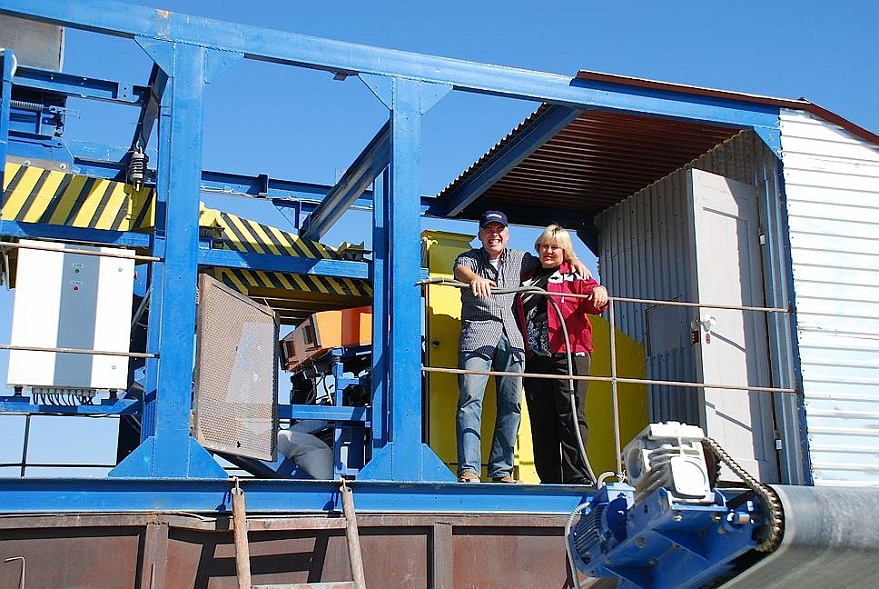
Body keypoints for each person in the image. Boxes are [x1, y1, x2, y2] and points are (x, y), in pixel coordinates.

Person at [453, 211, 590, 483]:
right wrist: (474, 279)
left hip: (514, 338)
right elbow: (460, 269)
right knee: (471, 399)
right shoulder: (469, 259)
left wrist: (573, 258)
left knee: (511, 403)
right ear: (480, 235)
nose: (494, 234)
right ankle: (469, 469)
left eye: (499, 230)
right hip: (478, 334)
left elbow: (549, 258)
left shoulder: (522, 260)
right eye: (488, 230)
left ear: (507, 234)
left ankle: (501, 470)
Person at [516, 224, 608, 485]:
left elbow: (595, 299)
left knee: (570, 415)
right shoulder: (528, 275)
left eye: (555, 247)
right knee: (541, 419)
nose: (548, 251)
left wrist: (599, 290)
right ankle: (549, 480)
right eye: (544, 245)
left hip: (569, 353)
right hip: (535, 359)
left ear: (565, 251)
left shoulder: (575, 274)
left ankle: (577, 478)